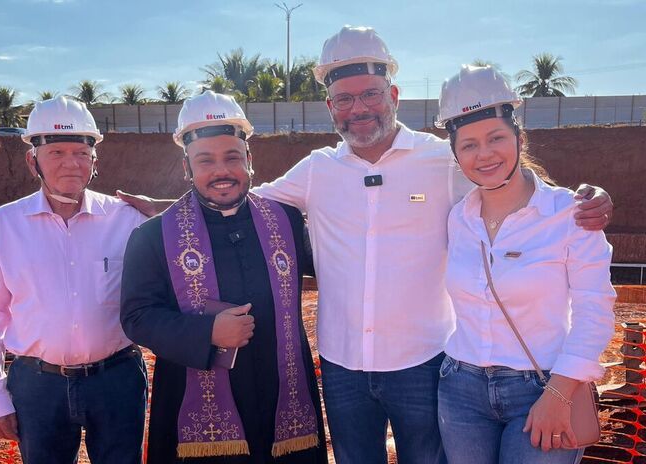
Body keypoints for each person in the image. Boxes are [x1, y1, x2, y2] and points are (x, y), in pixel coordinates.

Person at [247, 26, 615, 464]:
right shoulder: (316, 170)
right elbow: (236, 200)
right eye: (344, 99)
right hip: (343, 364)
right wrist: (162, 208)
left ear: (394, 95)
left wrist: (584, 200)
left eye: (370, 94)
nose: (358, 108)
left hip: (424, 363)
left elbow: (509, 181)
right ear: (330, 107)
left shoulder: (442, 159)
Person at [120, 91, 328, 464]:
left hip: (285, 407)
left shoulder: (288, 222)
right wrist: (207, 334)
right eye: (205, 161)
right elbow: (137, 318)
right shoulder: (153, 237)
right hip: (196, 421)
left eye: (232, 157)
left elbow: (342, 265)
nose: (221, 171)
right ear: (187, 168)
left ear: (249, 160)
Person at [435, 65, 617, 464]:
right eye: (468, 145)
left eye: (496, 138)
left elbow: (595, 311)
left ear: (518, 137)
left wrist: (558, 394)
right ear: (455, 153)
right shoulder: (457, 218)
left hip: (543, 386)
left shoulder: (570, 214)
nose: (484, 154)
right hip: (460, 391)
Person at [0, 96, 148, 464]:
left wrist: (159, 206)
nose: (70, 164)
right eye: (57, 152)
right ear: (33, 160)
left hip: (117, 379)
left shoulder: (128, 219)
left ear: (95, 161)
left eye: (81, 152)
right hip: (37, 385)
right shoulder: (5, 224)